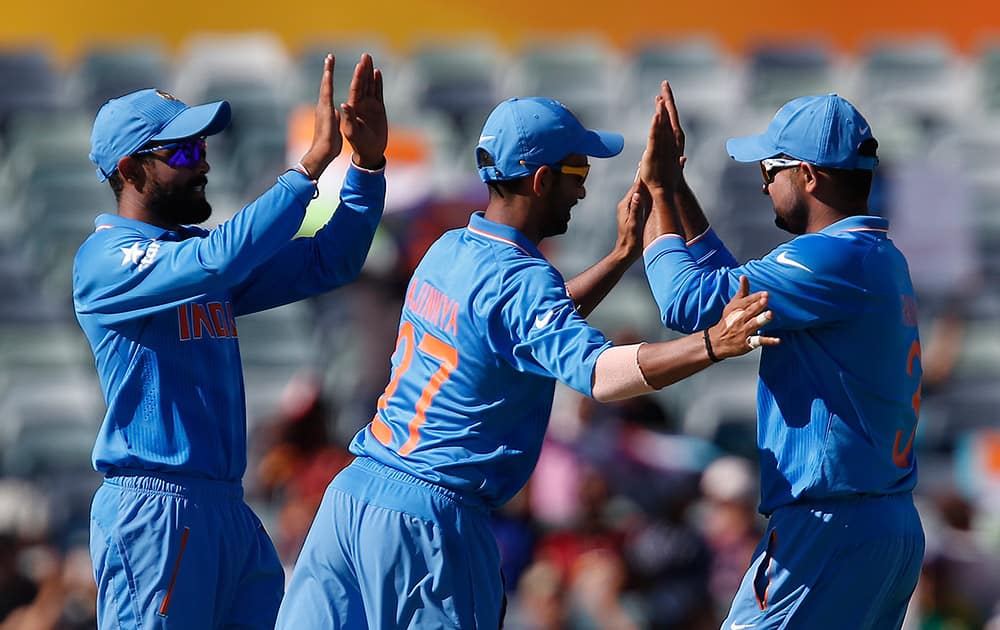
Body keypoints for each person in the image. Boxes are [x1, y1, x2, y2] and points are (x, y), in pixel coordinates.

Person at [276, 95, 777, 628]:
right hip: (432, 520)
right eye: (576, 171)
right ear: (541, 181)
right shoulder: (523, 279)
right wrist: (713, 343)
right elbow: (600, 375)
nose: (583, 188)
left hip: (353, 498)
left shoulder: (448, 249)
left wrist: (619, 257)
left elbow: (520, 327)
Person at [72, 53, 388, 628]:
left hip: (226, 509)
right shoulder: (106, 260)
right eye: (186, 152)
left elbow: (329, 259)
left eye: (205, 149)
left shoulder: (192, 256)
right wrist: (310, 168)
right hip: (155, 510)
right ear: (131, 169)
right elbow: (216, 262)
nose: (203, 165)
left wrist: (365, 169)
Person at [638, 84, 925, 628]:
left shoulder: (831, 258)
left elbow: (687, 301)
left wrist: (656, 191)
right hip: (884, 521)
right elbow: (727, 285)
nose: (762, 182)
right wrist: (675, 188)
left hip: (828, 524)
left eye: (771, 168)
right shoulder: (874, 257)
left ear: (809, 176)